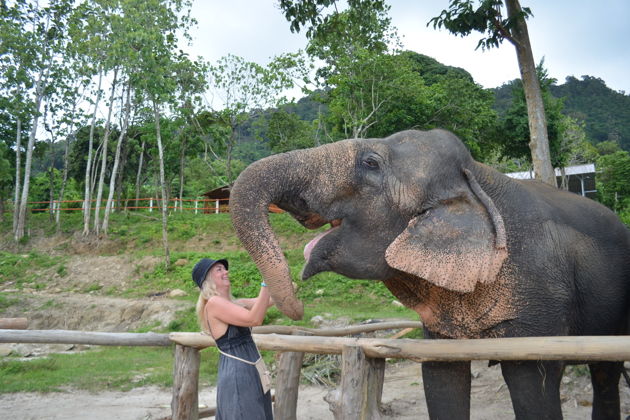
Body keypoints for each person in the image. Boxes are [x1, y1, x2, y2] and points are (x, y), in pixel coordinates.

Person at [193, 257, 274, 420]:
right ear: (207, 279)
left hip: (252, 370)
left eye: (224, 268)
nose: (226, 272)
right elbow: (254, 319)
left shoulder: (236, 303)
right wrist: (265, 282)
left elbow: (270, 301)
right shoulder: (214, 303)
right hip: (238, 374)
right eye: (219, 269)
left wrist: (280, 280)